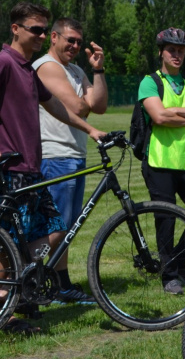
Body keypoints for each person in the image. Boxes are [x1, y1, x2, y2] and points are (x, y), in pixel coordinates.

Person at [0, 2, 105, 334]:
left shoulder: (28, 69)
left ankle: (21, 291)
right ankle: (8, 311)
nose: (42, 35)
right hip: (9, 167)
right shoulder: (4, 62)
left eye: (45, 29)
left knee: (56, 230)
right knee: (7, 244)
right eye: (36, 29)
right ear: (15, 28)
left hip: (32, 168)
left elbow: (56, 106)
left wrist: (91, 130)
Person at [32, 17, 108, 303]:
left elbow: (98, 106)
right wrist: (85, 103)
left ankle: (60, 284)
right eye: (69, 40)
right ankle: (29, 276)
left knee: (67, 225)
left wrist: (98, 69)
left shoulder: (75, 70)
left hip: (74, 154)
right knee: (56, 226)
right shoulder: (46, 67)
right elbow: (78, 106)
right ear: (53, 37)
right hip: (55, 155)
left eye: (79, 41)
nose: (75, 46)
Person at [138, 28, 185, 295]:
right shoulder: (150, 82)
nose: (177, 55)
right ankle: (168, 274)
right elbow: (158, 117)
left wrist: (177, 111)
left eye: (181, 51)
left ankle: (181, 264)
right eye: (172, 50)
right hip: (160, 161)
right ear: (161, 52)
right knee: (166, 219)